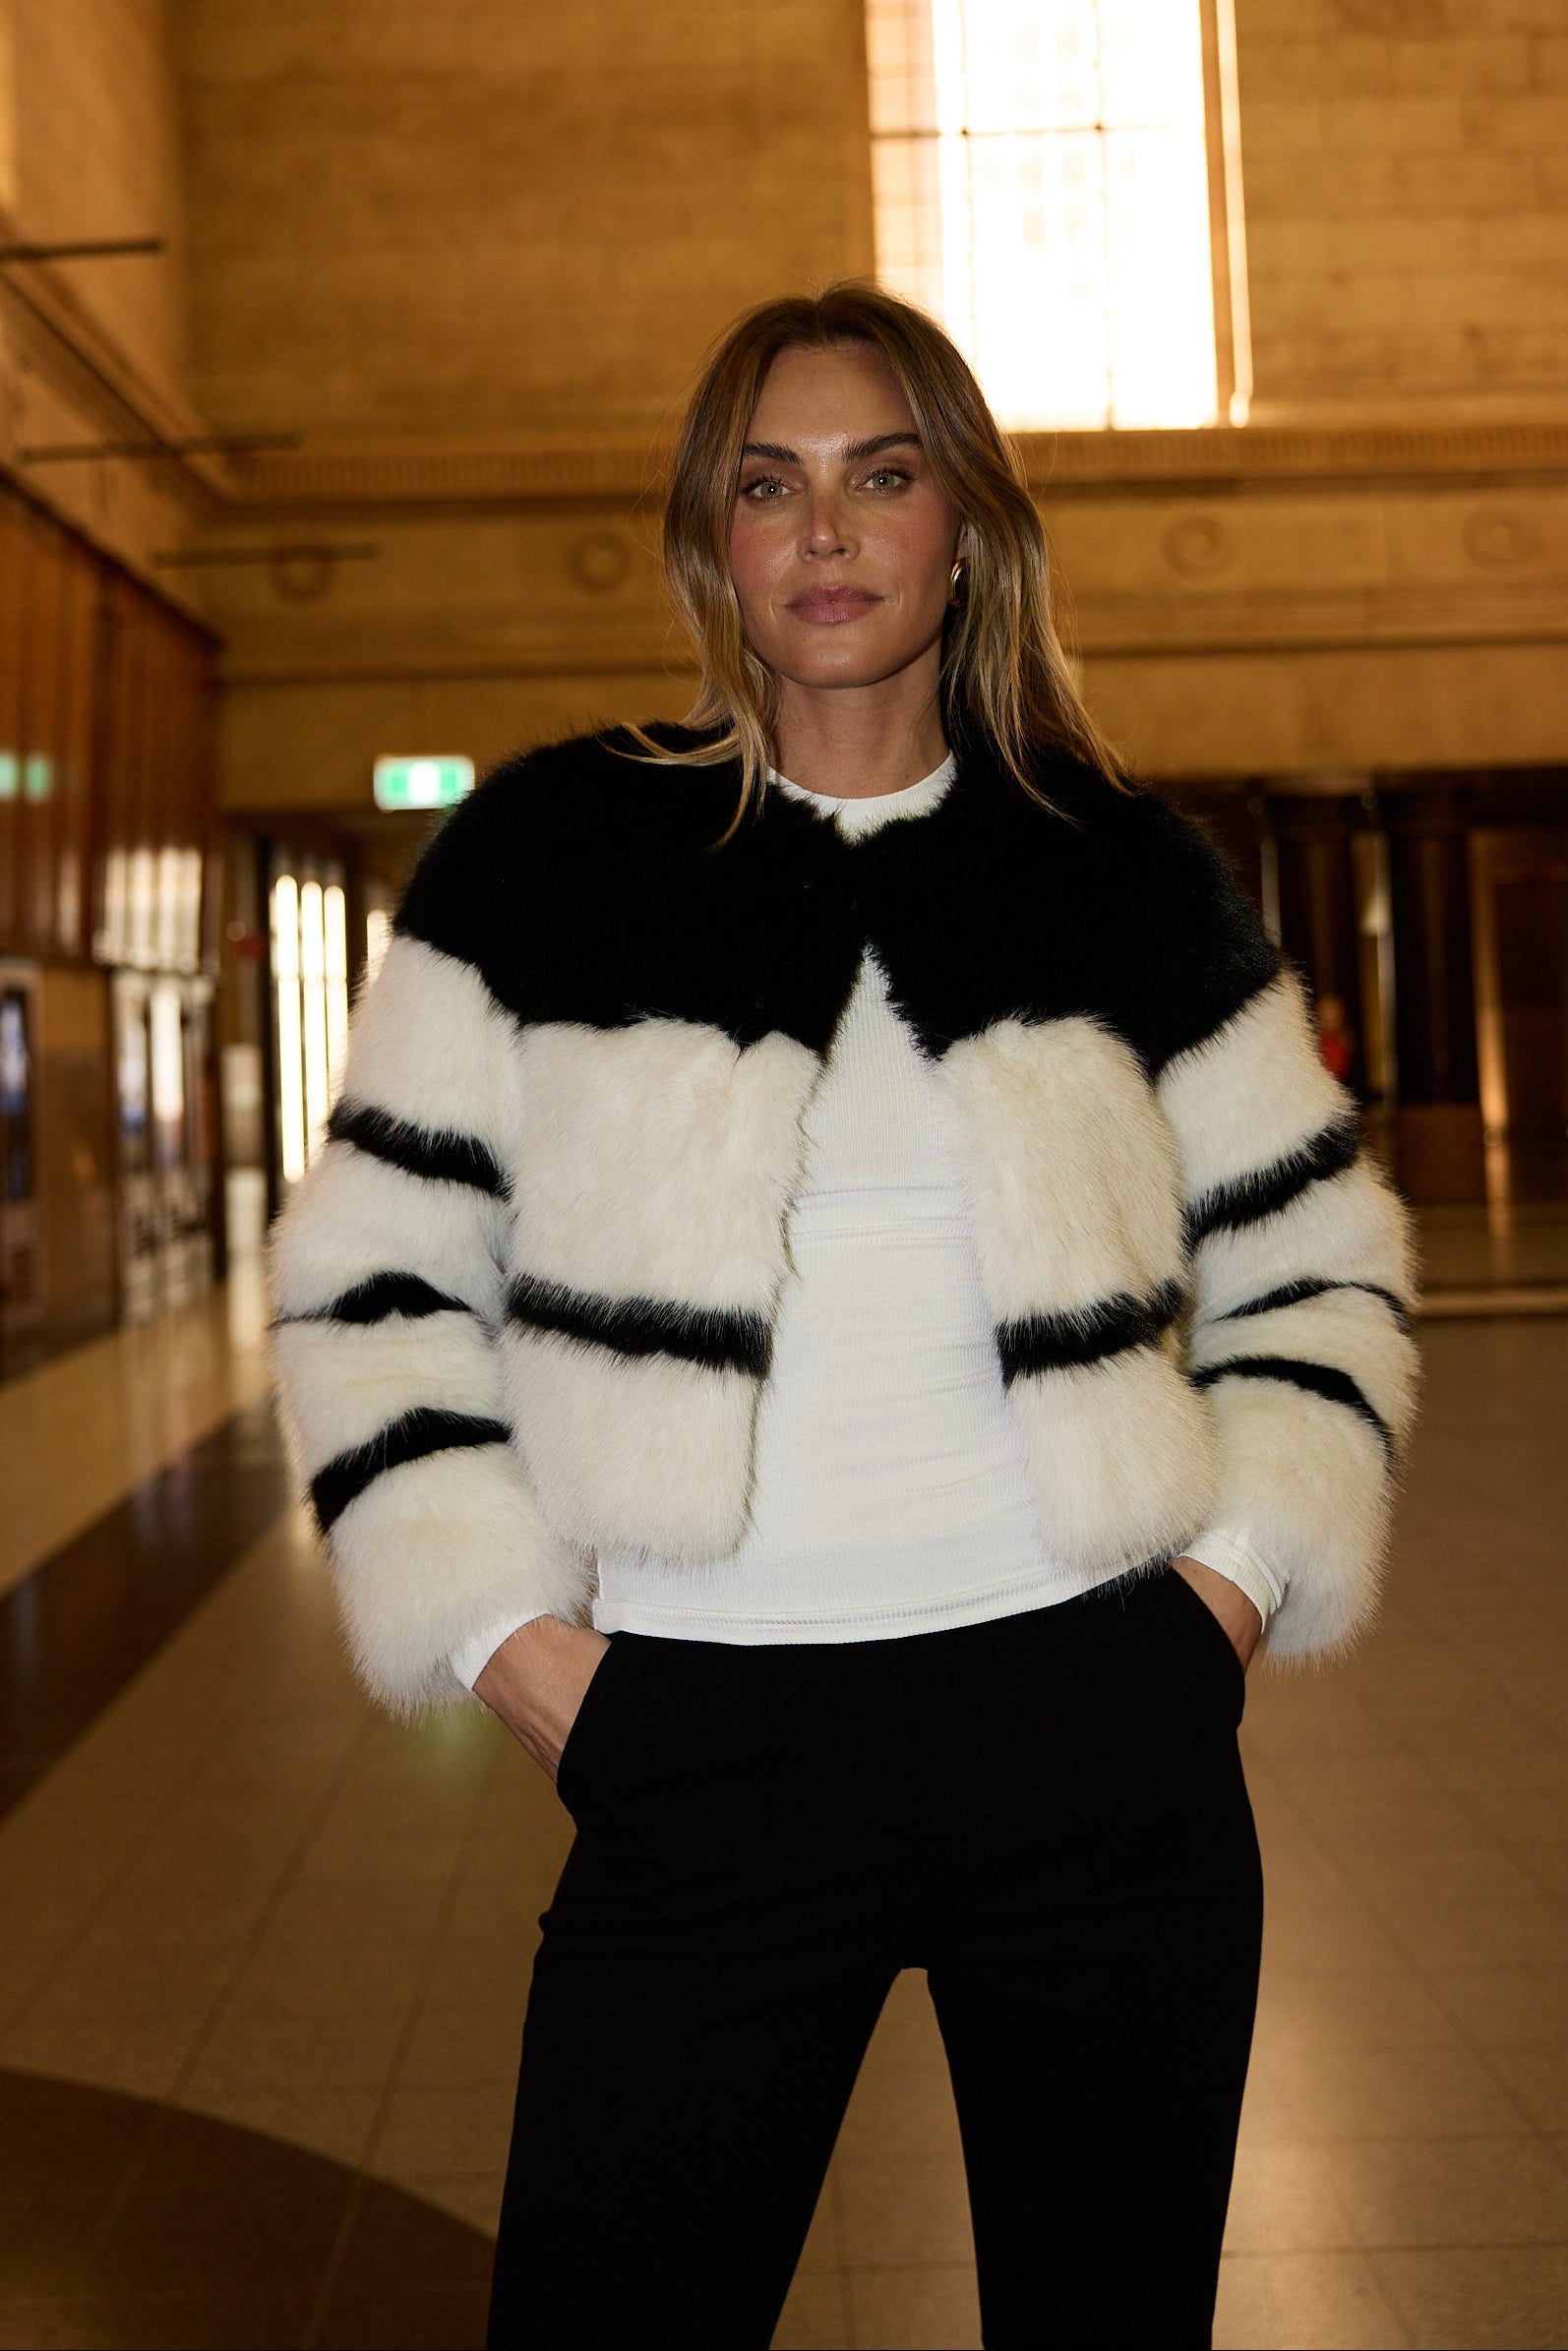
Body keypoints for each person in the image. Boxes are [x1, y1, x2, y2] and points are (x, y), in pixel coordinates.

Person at [270, 285, 1419, 2349]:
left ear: (961, 526)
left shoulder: (1117, 872)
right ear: (710, 541)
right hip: (699, 1742)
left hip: (1095, 1733)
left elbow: (1316, 1268)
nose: (822, 532)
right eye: (765, 484)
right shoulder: (554, 852)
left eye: (878, 477)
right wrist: (517, 1652)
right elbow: (371, 1286)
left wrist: (1217, 1606)